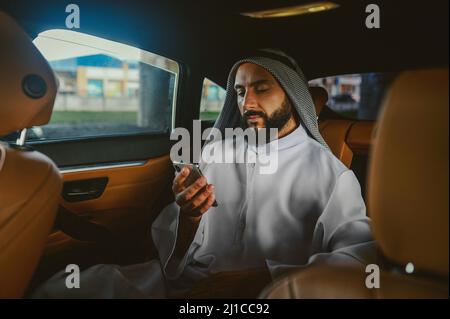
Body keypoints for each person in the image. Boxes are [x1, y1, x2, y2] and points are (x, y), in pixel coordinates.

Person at [32, 49, 375, 299]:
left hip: (268, 295)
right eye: (240, 91)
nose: (247, 102)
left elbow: (358, 259)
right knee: (63, 288)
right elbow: (175, 254)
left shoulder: (332, 174)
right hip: (181, 285)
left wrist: (263, 280)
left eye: (261, 88)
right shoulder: (216, 151)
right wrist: (189, 217)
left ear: (294, 94)